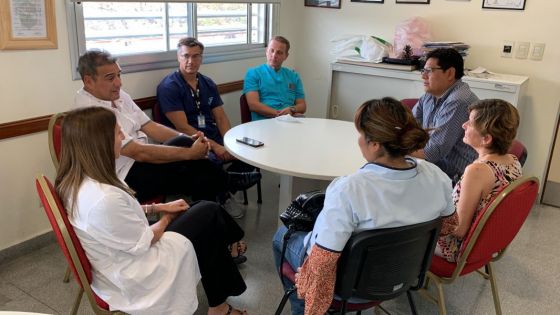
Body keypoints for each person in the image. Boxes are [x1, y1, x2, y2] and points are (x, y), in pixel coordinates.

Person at [272, 97, 458, 315]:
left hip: (349, 288)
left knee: (281, 236)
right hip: (403, 276)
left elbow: (323, 262)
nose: (358, 140)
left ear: (375, 144)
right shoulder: (436, 176)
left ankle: (298, 305)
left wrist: (315, 304)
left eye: (361, 134)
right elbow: (449, 226)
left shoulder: (349, 189)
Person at [55, 107, 248, 315]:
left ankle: (226, 266)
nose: (123, 136)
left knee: (205, 216)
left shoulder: (76, 181)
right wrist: (166, 218)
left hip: (119, 257)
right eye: (118, 132)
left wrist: (158, 207)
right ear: (100, 143)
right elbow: (145, 241)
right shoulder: (104, 198)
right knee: (209, 213)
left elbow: (119, 217)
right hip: (136, 274)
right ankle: (225, 277)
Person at [74, 49, 260, 219]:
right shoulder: (90, 110)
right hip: (122, 178)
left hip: (140, 163)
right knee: (196, 171)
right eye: (110, 78)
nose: (119, 83)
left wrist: (191, 140)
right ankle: (223, 190)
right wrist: (189, 153)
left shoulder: (117, 94)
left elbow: (149, 125)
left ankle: (213, 213)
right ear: (89, 80)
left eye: (119, 75)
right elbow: (138, 152)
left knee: (189, 153)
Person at [436, 99, 522, 262]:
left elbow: (459, 229)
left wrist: (427, 216)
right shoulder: (513, 160)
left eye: (470, 122)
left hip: (456, 247)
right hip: (485, 245)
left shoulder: (476, 171)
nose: (464, 125)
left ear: (486, 139)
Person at [157, 37, 255, 178]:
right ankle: (224, 185)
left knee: (248, 153)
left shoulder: (207, 83)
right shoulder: (169, 87)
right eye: (186, 56)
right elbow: (182, 127)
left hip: (212, 135)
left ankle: (225, 186)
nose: (190, 61)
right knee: (210, 163)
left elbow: (221, 117)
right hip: (189, 141)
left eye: (195, 56)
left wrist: (229, 144)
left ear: (201, 58)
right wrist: (215, 147)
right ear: (178, 57)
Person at [412, 48, 479, 181]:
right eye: (423, 70)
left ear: (450, 73)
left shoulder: (459, 101)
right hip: (435, 166)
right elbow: (409, 124)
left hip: (456, 179)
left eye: (429, 71)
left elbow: (434, 152)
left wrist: (394, 148)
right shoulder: (430, 94)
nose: (423, 76)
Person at [243, 36, 306, 121]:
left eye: (279, 53)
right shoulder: (253, 74)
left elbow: (302, 106)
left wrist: (292, 109)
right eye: (271, 50)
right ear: (266, 51)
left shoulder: (293, 76)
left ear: (286, 56)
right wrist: (281, 115)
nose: (274, 55)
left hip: (290, 121)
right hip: (264, 123)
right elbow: (253, 105)